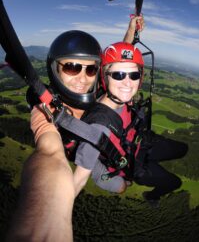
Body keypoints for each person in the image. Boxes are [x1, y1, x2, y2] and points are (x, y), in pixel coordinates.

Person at [6, 16, 142, 242]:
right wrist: (49, 210)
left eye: (90, 70)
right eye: (71, 67)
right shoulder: (45, 110)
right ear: (55, 69)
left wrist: (130, 33)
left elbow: (115, 61)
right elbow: (49, 152)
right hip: (88, 160)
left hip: (102, 139)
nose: (82, 79)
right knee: (120, 187)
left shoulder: (95, 86)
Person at [73, 41, 188, 207]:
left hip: (142, 141)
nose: (128, 83)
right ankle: (151, 196)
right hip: (134, 165)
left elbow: (118, 57)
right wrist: (120, 184)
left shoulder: (117, 95)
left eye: (134, 75)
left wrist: (132, 28)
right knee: (174, 183)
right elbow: (80, 180)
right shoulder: (98, 126)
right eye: (119, 75)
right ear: (105, 76)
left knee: (183, 149)